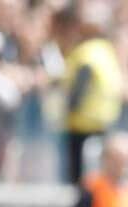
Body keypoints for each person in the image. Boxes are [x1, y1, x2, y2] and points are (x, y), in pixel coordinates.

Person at [52, 4, 123, 185]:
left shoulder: (86, 52)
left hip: (81, 124)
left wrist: (67, 109)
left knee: (78, 178)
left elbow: (80, 87)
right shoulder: (107, 50)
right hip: (104, 122)